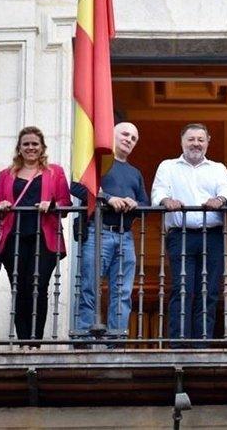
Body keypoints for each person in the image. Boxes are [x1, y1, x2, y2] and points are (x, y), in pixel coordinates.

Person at [151, 123, 227, 342]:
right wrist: (166, 200)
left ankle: (202, 343)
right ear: (182, 141)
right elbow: (158, 191)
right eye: (191, 139)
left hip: (213, 236)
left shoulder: (218, 168)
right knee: (182, 288)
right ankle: (179, 343)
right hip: (181, 235)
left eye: (200, 139)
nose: (196, 143)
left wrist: (220, 200)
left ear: (208, 142)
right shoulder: (168, 166)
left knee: (209, 292)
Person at [0, 126, 71, 343]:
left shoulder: (55, 172)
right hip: (13, 238)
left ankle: (34, 342)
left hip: (44, 238)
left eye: (35, 144)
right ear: (19, 148)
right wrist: (2, 204)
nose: (30, 148)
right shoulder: (6, 175)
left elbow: (66, 204)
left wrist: (52, 204)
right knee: (19, 288)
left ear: (42, 147)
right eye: (26, 144)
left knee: (38, 286)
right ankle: (23, 341)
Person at [73, 122, 149, 335]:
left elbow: (146, 203)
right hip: (98, 232)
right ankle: (85, 343)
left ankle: (116, 343)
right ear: (111, 134)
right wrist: (107, 198)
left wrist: (135, 204)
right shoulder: (96, 163)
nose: (129, 140)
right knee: (89, 288)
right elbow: (75, 186)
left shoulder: (135, 172)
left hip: (125, 237)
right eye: (125, 134)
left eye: (134, 139)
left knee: (122, 293)